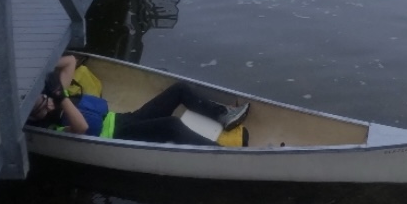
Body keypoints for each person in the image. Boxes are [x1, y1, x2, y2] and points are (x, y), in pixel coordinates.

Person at [27, 55, 250, 146]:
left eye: (46, 98)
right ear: (37, 117)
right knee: (171, 126)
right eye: (43, 107)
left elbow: (70, 61)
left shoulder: (55, 97)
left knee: (179, 89)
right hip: (119, 137)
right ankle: (217, 153)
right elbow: (82, 127)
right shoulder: (53, 127)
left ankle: (223, 115)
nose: (48, 104)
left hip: (124, 120)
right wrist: (61, 98)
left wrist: (40, 69)